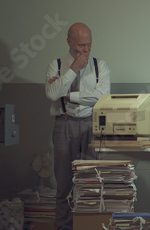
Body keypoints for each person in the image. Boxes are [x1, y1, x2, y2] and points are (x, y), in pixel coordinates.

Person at [45, 22, 111, 230]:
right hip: (64, 124)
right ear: (69, 42)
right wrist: (73, 69)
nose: (85, 50)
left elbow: (101, 97)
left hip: (93, 124)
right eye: (80, 45)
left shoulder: (100, 65)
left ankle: (90, 225)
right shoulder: (55, 65)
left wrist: (67, 94)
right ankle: (64, 227)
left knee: (92, 179)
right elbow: (51, 94)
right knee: (64, 184)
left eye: (89, 45)